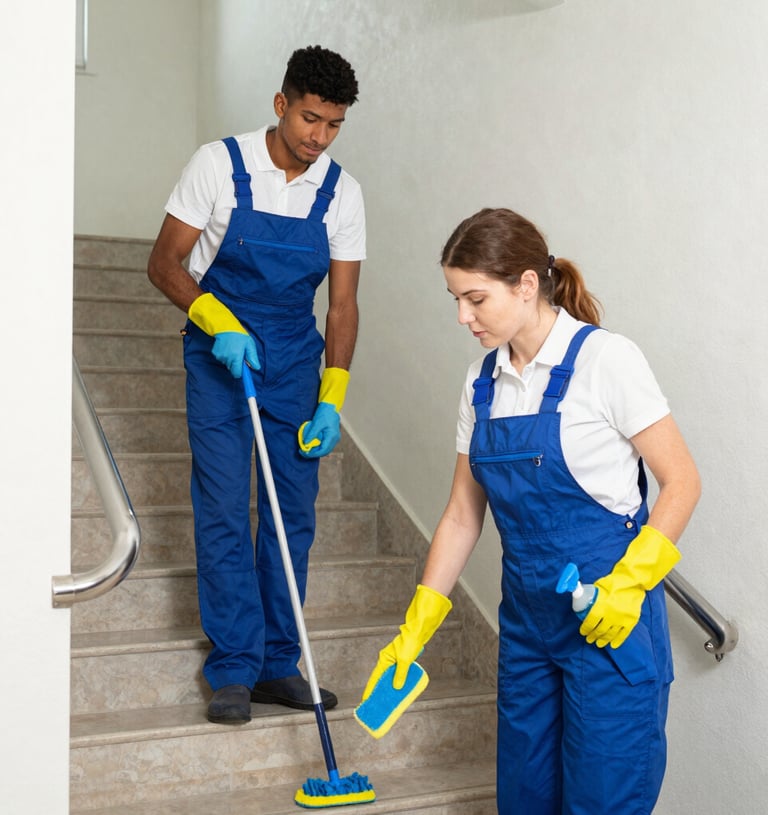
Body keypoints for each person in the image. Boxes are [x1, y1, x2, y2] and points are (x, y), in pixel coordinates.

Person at [360, 208, 701, 813]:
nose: (462, 317)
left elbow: (682, 483)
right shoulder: (480, 383)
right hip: (526, 631)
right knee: (524, 800)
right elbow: (463, 517)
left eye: (475, 298)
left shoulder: (606, 361)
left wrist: (628, 586)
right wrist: (416, 630)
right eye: (455, 299)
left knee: (601, 801)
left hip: (610, 630)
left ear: (524, 285)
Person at [147, 45, 365, 725]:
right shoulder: (219, 164)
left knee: (290, 513)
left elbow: (342, 306)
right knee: (221, 507)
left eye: (332, 125)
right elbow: (163, 262)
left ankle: (278, 661)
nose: (318, 137)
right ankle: (234, 665)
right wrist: (214, 319)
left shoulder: (342, 192)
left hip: (296, 362)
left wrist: (333, 394)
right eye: (309, 118)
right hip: (221, 355)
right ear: (281, 104)